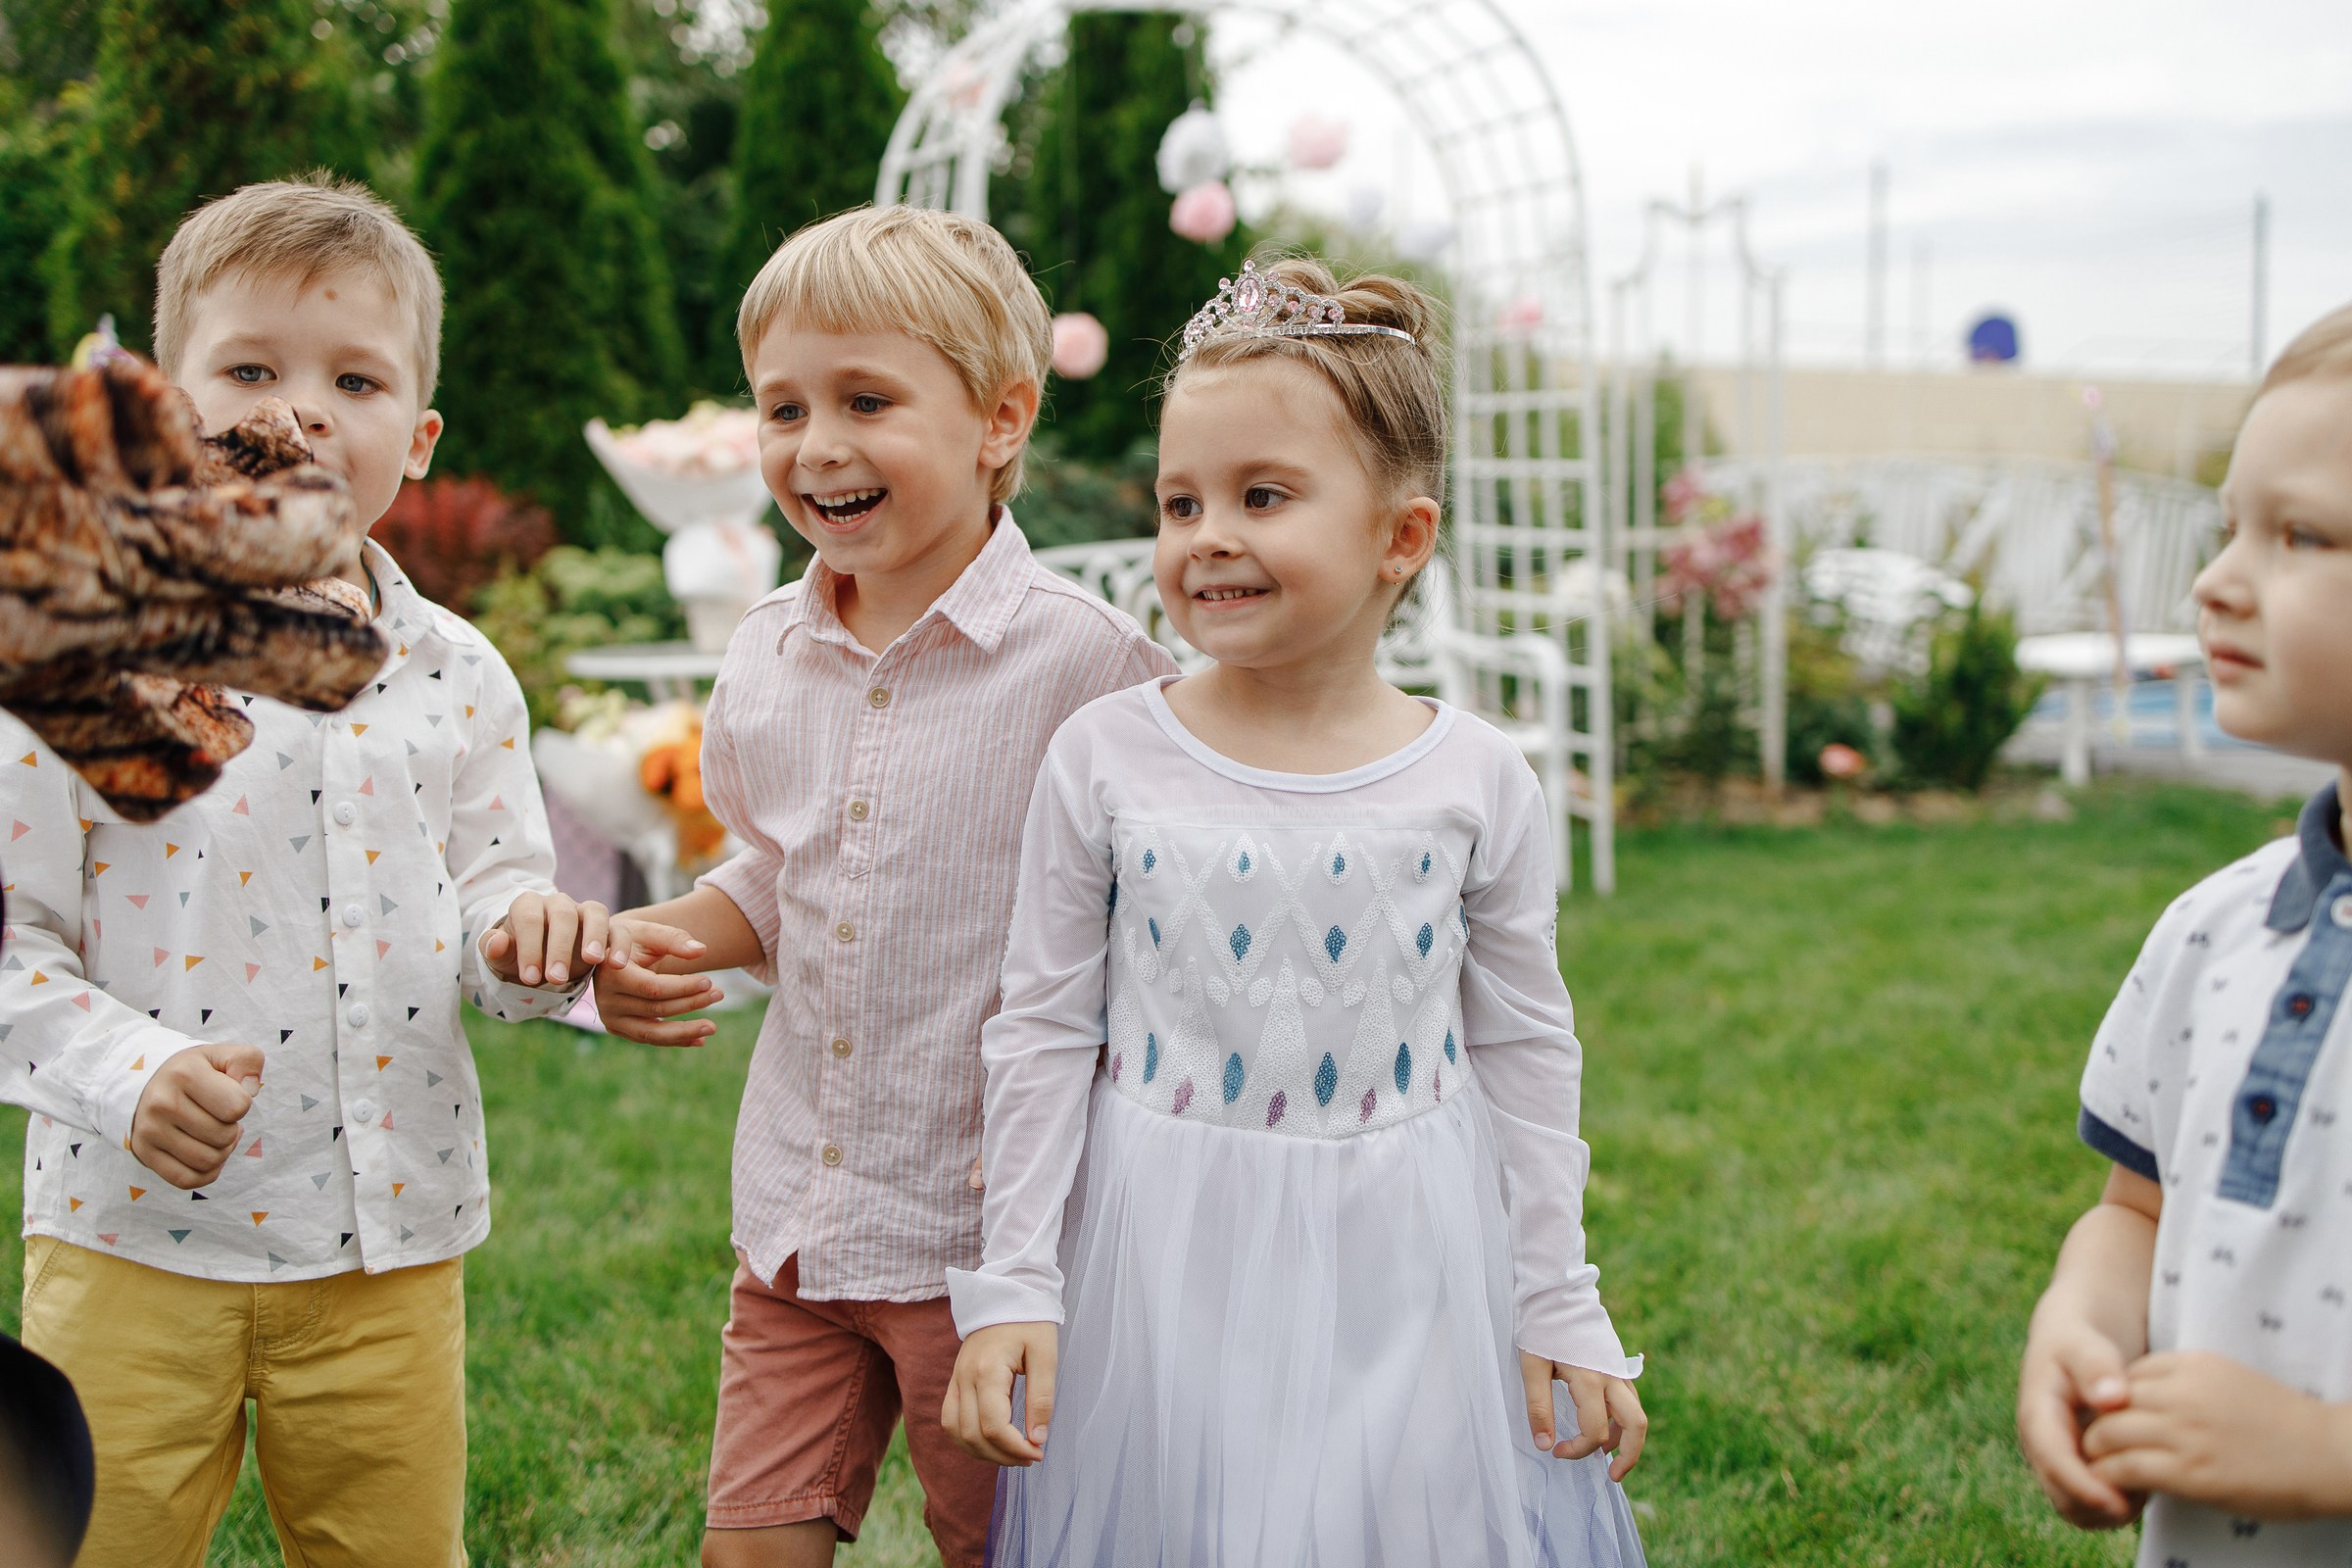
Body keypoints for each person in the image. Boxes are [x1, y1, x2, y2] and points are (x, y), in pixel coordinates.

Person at [940, 258, 1649, 1566]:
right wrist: (1016, 1282)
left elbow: (1526, 1051)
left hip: (1405, 1254)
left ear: (1400, 538)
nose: (1208, 533)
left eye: (1262, 496)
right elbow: (1039, 1028)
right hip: (1163, 1255)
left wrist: (1557, 1294)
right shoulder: (1103, 755)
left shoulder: (1476, 777)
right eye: (1180, 500)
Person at [0, 173, 615, 1568]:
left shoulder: (460, 674)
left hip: (388, 1254)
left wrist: (528, 940)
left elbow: (490, 891)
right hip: (134, 1249)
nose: (307, 408)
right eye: (251, 368)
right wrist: (123, 1071)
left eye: (357, 377)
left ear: (421, 432)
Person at [589, 205, 1178, 1568]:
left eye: (866, 398)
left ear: (998, 421)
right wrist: (653, 942)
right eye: (782, 406)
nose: (818, 445)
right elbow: (781, 877)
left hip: (990, 1240)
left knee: (1006, 1548)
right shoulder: (765, 659)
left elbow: (1168, 919)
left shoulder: (1091, 671)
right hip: (800, 1218)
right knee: (749, 1546)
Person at [2018, 301, 2352, 1562]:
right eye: (2231, 529)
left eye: (2300, 534)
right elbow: (2136, 1212)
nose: (2215, 580)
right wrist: (2082, 1321)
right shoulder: (2214, 932)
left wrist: (2324, 1452)